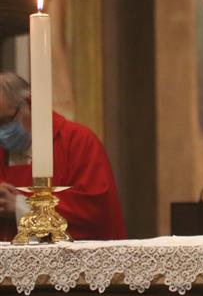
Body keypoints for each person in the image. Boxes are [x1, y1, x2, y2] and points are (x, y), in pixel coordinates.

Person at [0, 73, 126, 241]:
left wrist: (19, 206)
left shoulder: (78, 141)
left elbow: (94, 209)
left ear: (29, 103)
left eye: (5, 121)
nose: (2, 131)